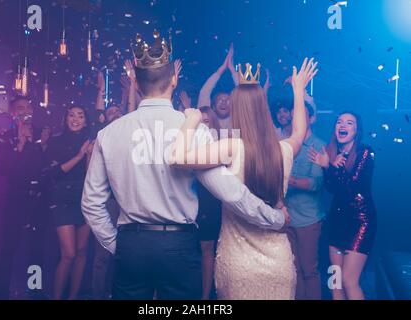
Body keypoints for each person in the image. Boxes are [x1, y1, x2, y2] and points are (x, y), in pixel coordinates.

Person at [82, 31, 287, 300]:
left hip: (131, 244)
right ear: (174, 80)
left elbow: (91, 202)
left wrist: (116, 243)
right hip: (177, 246)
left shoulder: (109, 134)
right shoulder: (192, 129)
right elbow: (228, 190)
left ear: (136, 82)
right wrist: (274, 218)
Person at [170, 58, 318, 299]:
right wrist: (298, 91)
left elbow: (177, 156)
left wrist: (191, 118)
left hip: (238, 265)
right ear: (264, 109)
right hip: (278, 262)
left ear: (237, 110)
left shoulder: (232, 148)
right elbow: (300, 132)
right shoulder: (283, 150)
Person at [308, 111, 376, 300]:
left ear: (357, 130)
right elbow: (331, 189)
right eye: (339, 122)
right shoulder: (331, 153)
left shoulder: (365, 152)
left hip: (360, 221)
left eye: (349, 123)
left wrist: (328, 167)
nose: (343, 126)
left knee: (348, 280)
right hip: (337, 222)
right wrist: (328, 166)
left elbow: (352, 187)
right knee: (335, 281)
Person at [0, 96, 48, 299]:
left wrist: (41, 147)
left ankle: (35, 290)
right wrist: (20, 144)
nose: (25, 111)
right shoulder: (5, 137)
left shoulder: (43, 135)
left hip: (39, 199)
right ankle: (2, 291)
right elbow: (2, 169)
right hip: (15, 198)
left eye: (28, 107)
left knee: (37, 247)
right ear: (13, 113)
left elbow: (47, 168)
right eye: (20, 108)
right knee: (9, 246)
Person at [44, 105, 92, 300]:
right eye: (71, 115)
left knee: (81, 252)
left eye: (80, 116)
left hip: (85, 196)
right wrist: (80, 155)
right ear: (65, 119)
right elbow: (55, 173)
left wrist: (89, 154)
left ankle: (73, 297)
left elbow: (91, 175)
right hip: (62, 197)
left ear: (86, 121)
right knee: (69, 254)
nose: (76, 119)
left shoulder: (90, 142)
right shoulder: (56, 141)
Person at [286, 102, 326, 300]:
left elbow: (315, 184)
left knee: (309, 270)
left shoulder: (318, 146)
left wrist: (286, 179)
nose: (295, 121)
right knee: (294, 271)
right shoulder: (288, 144)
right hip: (288, 217)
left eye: (300, 116)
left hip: (308, 219)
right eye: (293, 117)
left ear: (310, 119)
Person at [196, 106, 222, 300]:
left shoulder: (221, 150)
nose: (202, 127)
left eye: (206, 122)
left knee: (207, 250)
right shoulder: (187, 149)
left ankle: (205, 298)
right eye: (199, 123)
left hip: (210, 204)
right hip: (189, 203)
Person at [197, 44, 239, 130]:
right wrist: (221, 70)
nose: (224, 102)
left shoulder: (238, 120)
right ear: (213, 106)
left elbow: (246, 97)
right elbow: (204, 93)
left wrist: (232, 69)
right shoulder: (207, 119)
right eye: (220, 100)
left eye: (227, 100)